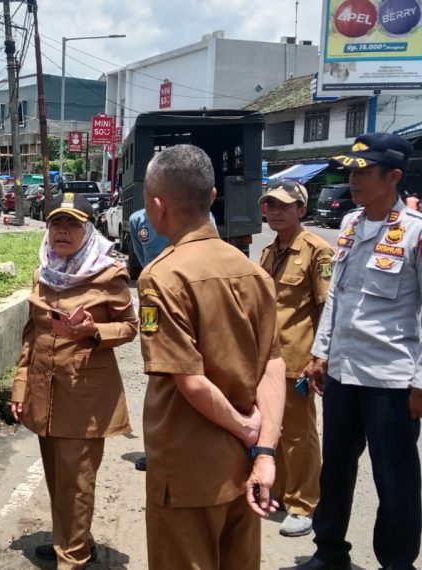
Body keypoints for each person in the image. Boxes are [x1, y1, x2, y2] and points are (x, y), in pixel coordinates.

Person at [298, 133, 422, 570]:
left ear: (395, 177)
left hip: (390, 380)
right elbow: (337, 298)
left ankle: (397, 563)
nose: (354, 179)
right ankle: (329, 551)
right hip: (344, 374)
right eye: (352, 171)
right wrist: (320, 352)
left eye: (364, 172)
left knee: (396, 479)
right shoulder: (348, 225)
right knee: (336, 470)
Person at [137, 144, 286, 569]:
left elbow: (189, 379)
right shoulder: (255, 273)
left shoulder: (162, 277)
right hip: (247, 468)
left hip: (188, 473)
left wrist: (243, 428)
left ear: (157, 205)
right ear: (213, 198)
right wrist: (264, 449)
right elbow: (273, 365)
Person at [9, 195, 137, 569]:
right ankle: (72, 539)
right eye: (56, 224)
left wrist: (94, 330)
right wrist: (20, 387)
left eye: (72, 224)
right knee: (56, 476)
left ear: (88, 229)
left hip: (85, 395)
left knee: (78, 482)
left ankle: (73, 558)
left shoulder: (109, 273)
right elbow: (31, 335)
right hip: (45, 391)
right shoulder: (44, 271)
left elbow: (130, 327)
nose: (62, 231)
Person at [257, 180, 335, 538]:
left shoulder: (317, 252)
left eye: (284, 206)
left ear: (301, 210)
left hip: (298, 360)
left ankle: (305, 503)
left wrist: (320, 357)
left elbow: (326, 308)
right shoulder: (268, 252)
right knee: (273, 429)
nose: (275, 211)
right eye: (271, 205)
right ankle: (284, 494)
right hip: (269, 360)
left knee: (299, 434)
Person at [126, 207, 217, 473]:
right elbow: (145, 261)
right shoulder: (137, 220)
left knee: (193, 374)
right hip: (154, 303)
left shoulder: (200, 217)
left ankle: (195, 450)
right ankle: (157, 451)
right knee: (159, 376)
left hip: (189, 303)